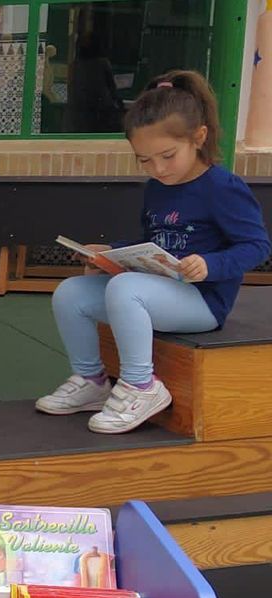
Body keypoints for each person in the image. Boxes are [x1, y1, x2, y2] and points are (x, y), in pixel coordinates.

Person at [36, 70, 271, 434]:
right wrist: (109, 254)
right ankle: (92, 382)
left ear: (199, 138)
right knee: (71, 294)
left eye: (167, 156)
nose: (158, 169)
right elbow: (154, 242)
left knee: (126, 289)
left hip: (202, 302)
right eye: (144, 160)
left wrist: (210, 264)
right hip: (157, 290)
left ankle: (141, 386)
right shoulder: (159, 187)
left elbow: (258, 245)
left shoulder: (223, 187)